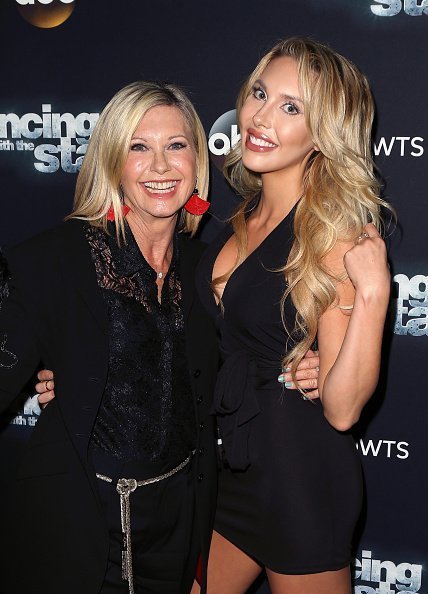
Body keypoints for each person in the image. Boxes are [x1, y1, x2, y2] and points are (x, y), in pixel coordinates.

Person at [0, 80, 220, 594]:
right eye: (138, 148)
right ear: (111, 161)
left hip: (180, 523)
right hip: (79, 524)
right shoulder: (51, 262)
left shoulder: (213, 263)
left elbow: (247, 361)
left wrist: (308, 367)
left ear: (197, 158)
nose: (161, 167)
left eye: (176, 146)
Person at [193, 37, 391, 594]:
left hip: (300, 480)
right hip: (232, 472)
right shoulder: (238, 218)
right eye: (260, 93)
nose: (259, 116)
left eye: (291, 107)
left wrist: (374, 293)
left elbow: (344, 408)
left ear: (322, 132)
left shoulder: (333, 235)